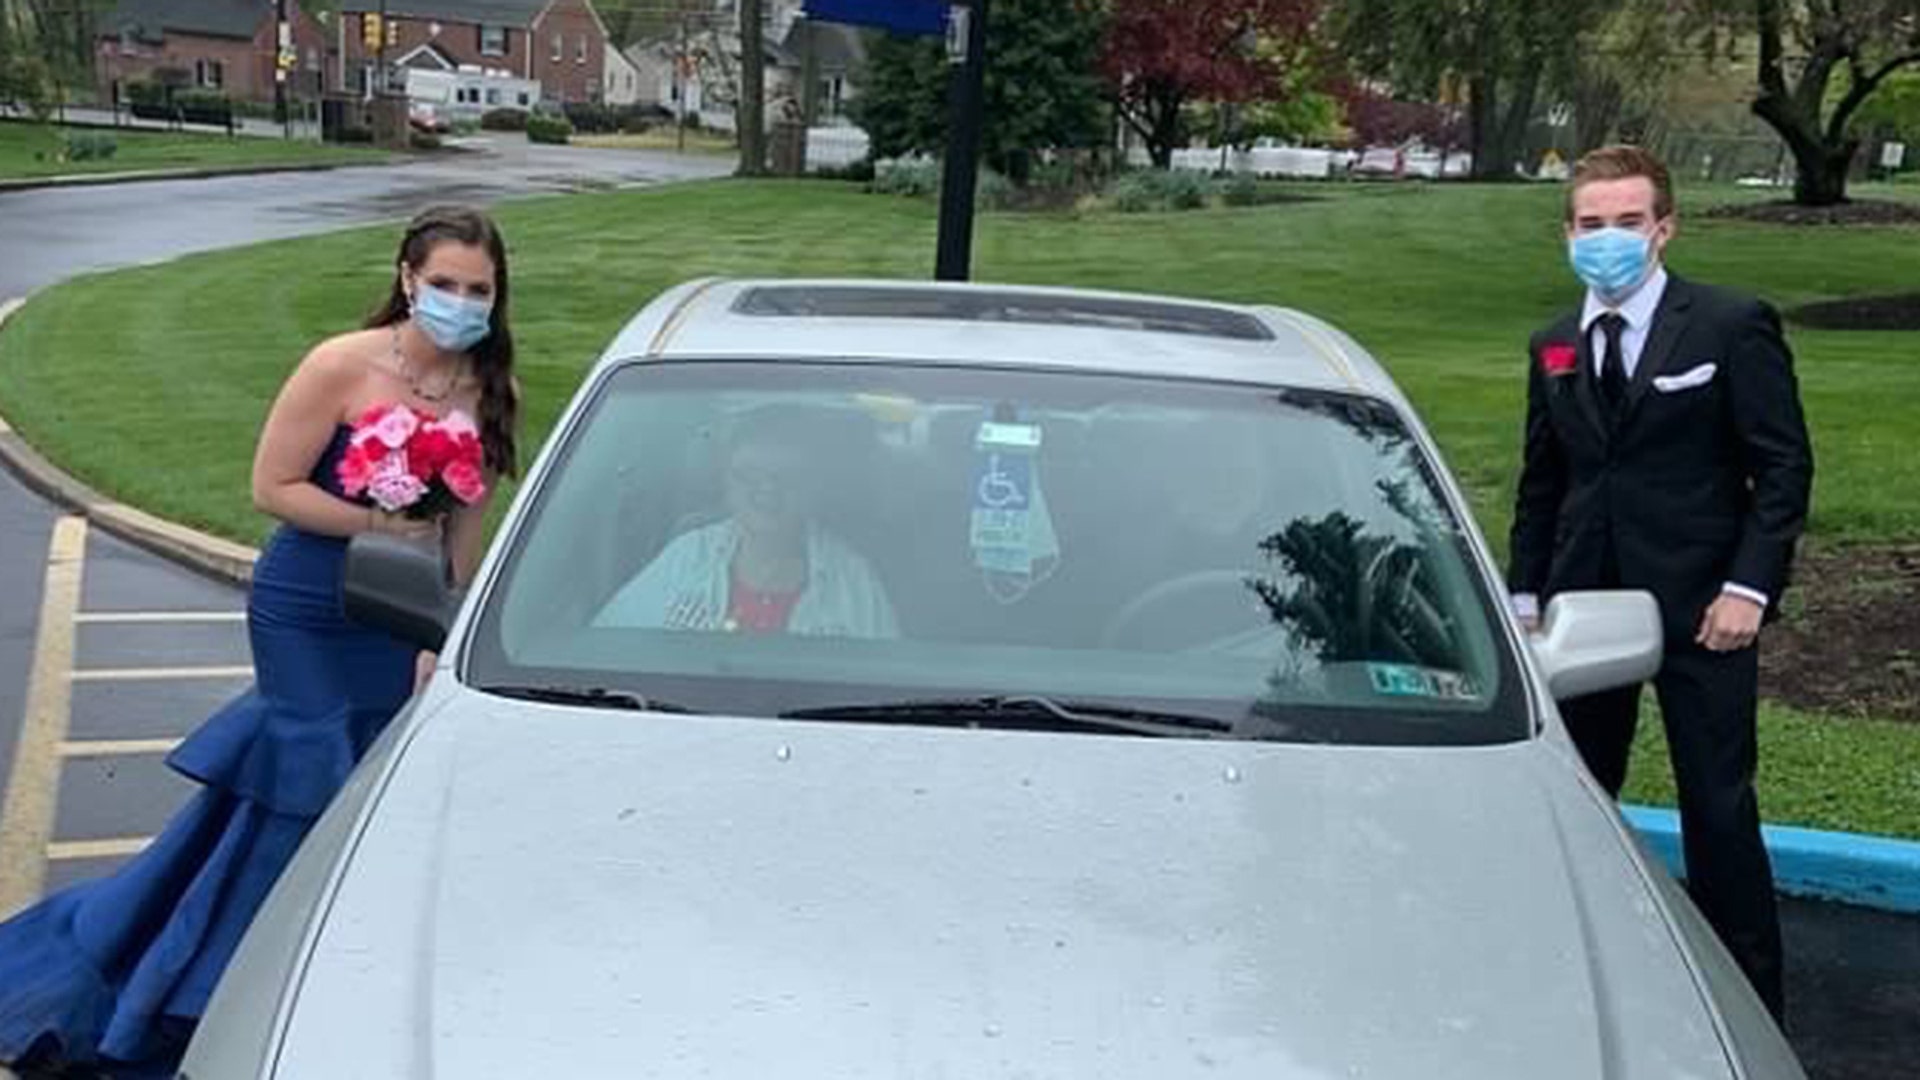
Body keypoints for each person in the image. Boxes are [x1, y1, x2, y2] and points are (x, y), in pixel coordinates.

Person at [0, 206, 519, 1075]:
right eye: (445, 285)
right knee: (305, 781)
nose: (460, 303)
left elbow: (468, 521)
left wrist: (445, 627)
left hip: (398, 617)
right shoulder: (342, 366)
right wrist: (377, 524)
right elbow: (272, 486)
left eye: (479, 290)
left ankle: (269, 959)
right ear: (406, 280)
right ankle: (206, 998)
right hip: (307, 607)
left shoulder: (488, 387)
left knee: (345, 798)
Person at [1507, 146, 1813, 1020]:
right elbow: (1543, 482)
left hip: (1701, 609)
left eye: (1627, 222)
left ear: (1664, 227)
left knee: (1717, 810)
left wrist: (1748, 590)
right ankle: (1576, 985)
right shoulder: (1555, 344)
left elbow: (1782, 469)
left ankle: (1751, 1007)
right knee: (1577, 802)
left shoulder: (1726, 325)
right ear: (1568, 233)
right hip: (1586, 613)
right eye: (1591, 224)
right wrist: (1527, 602)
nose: (1608, 239)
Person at [596, 405, 896, 638]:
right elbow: (607, 643)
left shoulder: (852, 577)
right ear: (726, 483)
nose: (765, 491)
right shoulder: (688, 554)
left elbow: (886, 679)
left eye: (784, 478)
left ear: (812, 487)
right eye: (748, 475)